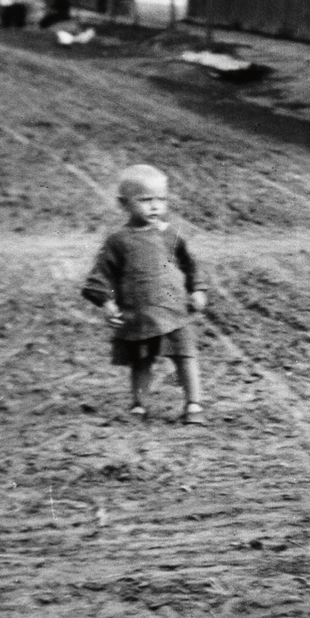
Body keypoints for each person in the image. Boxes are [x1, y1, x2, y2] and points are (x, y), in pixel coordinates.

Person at [82, 164, 208, 424]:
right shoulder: (118, 241)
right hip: (140, 312)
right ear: (124, 204)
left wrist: (197, 289)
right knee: (142, 361)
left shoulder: (171, 235)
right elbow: (103, 275)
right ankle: (139, 404)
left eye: (161, 200)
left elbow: (190, 264)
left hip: (174, 309)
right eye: (145, 200)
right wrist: (107, 302)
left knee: (185, 356)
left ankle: (193, 404)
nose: (155, 207)